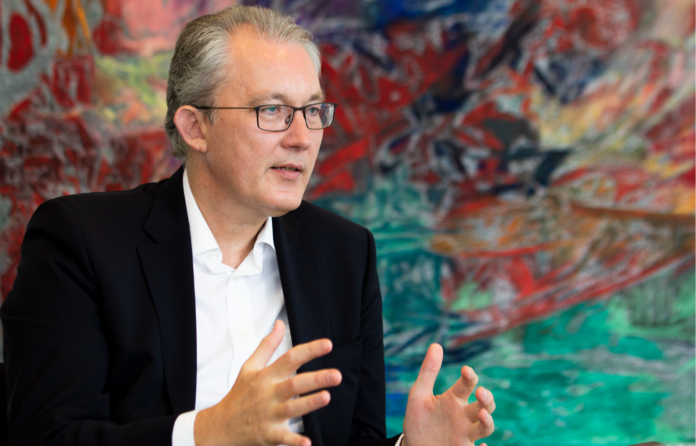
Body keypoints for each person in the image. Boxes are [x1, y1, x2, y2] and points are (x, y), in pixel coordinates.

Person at [1, 6, 496, 446]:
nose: (303, 138)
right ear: (196, 127)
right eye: (272, 110)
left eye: (313, 111)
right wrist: (206, 434)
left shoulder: (345, 252)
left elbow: (352, 437)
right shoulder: (81, 241)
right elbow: (45, 435)